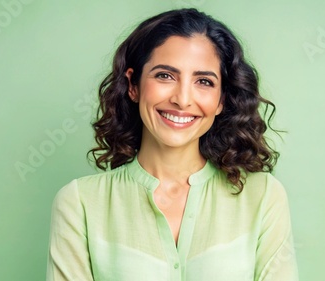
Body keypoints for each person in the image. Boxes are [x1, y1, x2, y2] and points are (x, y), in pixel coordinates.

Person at [46, 8, 298, 281]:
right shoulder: (79, 203)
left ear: (221, 99)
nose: (183, 99)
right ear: (133, 85)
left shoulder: (262, 196)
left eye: (204, 81)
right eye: (165, 75)